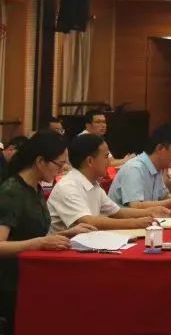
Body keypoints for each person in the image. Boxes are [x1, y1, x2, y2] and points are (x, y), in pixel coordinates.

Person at [0, 133, 95, 332]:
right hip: (11, 281)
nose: (63, 170)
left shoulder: (34, 187)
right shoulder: (12, 192)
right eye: (59, 164)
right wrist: (38, 243)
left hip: (31, 272)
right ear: (40, 161)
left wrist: (68, 232)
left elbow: (30, 233)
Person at [47, 134, 168, 232]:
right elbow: (88, 221)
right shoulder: (68, 186)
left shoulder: (93, 184)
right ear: (90, 161)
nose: (109, 162)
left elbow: (117, 212)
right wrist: (135, 223)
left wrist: (151, 212)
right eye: (106, 157)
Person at [107, 124, 171, 210]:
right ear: (160, 148)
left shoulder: (158, 167)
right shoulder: (134, 168)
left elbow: (163, 197)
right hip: (122, 218)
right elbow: (136, 206)